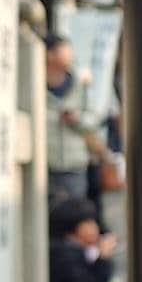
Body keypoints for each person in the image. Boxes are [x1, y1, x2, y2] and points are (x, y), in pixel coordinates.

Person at [45, 32, 102, 206]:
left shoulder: (79, 83)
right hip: (45, 164)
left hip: (74, 164)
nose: (70, 55)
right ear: (49, 54)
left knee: (76, 211)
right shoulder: (33, 81)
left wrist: (77, 119)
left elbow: (94, 119)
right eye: (65, 50)